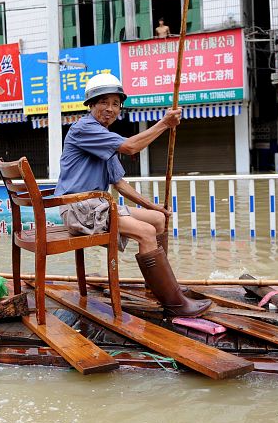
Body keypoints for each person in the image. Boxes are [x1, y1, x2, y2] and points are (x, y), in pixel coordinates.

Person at [54, 73, 211, 317]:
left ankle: (159, 285)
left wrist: (153, 207)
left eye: (115, 104)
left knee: (158, 221)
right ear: (91, 105)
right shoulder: (85, 128)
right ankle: (175, 303)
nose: (109, 109)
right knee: (146, 232)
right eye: (103, 102)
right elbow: (131, 147)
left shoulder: (105, 139)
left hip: (97, 206)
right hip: (79, 209)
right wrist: (163, 124)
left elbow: (119, 184)